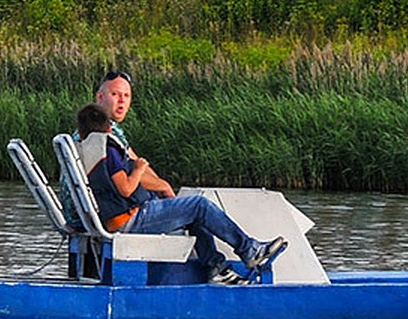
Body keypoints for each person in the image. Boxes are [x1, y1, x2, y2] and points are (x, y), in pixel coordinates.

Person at [75, 103, 286, 284]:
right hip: (132, 219)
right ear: (109, 129)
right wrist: (139, 169)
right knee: (198, 205)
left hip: (123, 218)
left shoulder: (91, 150)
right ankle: (250, 250)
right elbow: (126, 188)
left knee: (192, 215)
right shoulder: (109, 151)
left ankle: (216, 269)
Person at [58, 70, 171, 227]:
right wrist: (164, 187)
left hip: (80, 214)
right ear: (100, 97)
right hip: (94, 214)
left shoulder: (102, 131)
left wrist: (159, 184)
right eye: (115, 94)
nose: (121, 101)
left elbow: (136, 161)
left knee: (153, 193)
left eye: (126, 96)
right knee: (192, 206)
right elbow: (121, 180)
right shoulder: (101, 136)